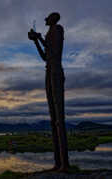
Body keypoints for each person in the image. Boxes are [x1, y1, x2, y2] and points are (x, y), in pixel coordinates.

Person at [28, 12, 69, 171]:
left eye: (48, 17)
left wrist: (39, 38)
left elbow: (54, 52)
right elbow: (45, 57)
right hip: (48, 70)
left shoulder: (58, 29)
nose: (45, 19)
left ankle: (65, 163)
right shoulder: (49, 33)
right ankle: (58, 163)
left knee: (59, 117)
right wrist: (36, 41)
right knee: (53, 118)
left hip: (56, 72)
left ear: (54, 19)